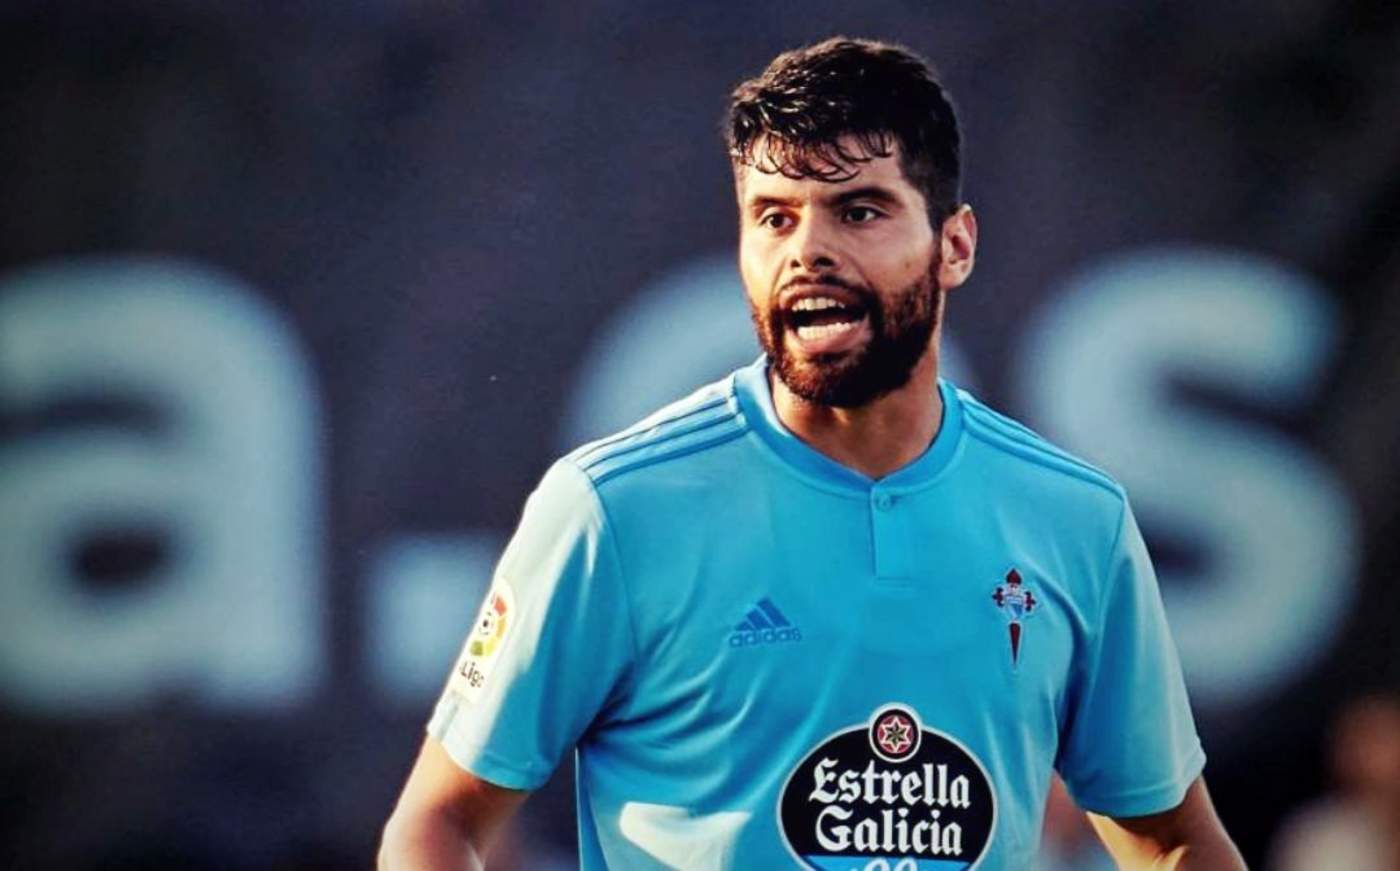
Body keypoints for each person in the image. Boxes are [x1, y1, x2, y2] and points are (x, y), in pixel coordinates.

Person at [379, 37, 1245, 870]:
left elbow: (1175, 840)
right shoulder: (611, 507)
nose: (808, 251)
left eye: (858, 210)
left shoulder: (1077, 520)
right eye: (774, 217)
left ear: (955, 245)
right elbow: (438, 822)